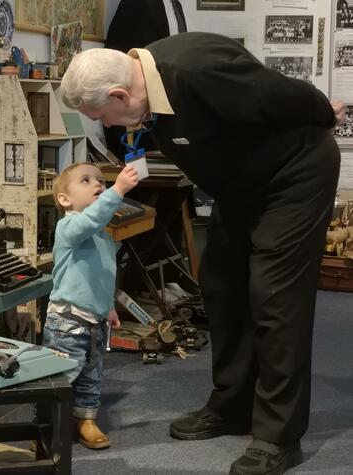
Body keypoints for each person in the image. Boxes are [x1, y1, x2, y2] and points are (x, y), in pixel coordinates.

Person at [59, 32, 345, 473]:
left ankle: (278, 435)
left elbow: (282, 92)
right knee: (221, 283)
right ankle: (233, 405)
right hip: (242, 186)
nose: (111, 125)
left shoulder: (197, 69)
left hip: (295, 178)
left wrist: (324, 111)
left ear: (119, 93)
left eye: (104, 116)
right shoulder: (143, 91)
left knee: (274, 298)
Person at [43, 162, 138, 449]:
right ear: (64, 199)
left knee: (91, 376)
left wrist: (108, 306)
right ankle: (49, 427)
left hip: (95, 319)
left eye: (100, 180)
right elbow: (91, 220)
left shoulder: (102, 236)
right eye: (85, 180)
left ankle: (85, 419)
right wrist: (118, 189)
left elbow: (103, 276)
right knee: (62, 376)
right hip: (67, 322)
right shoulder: (69, 226)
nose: (97, 184)